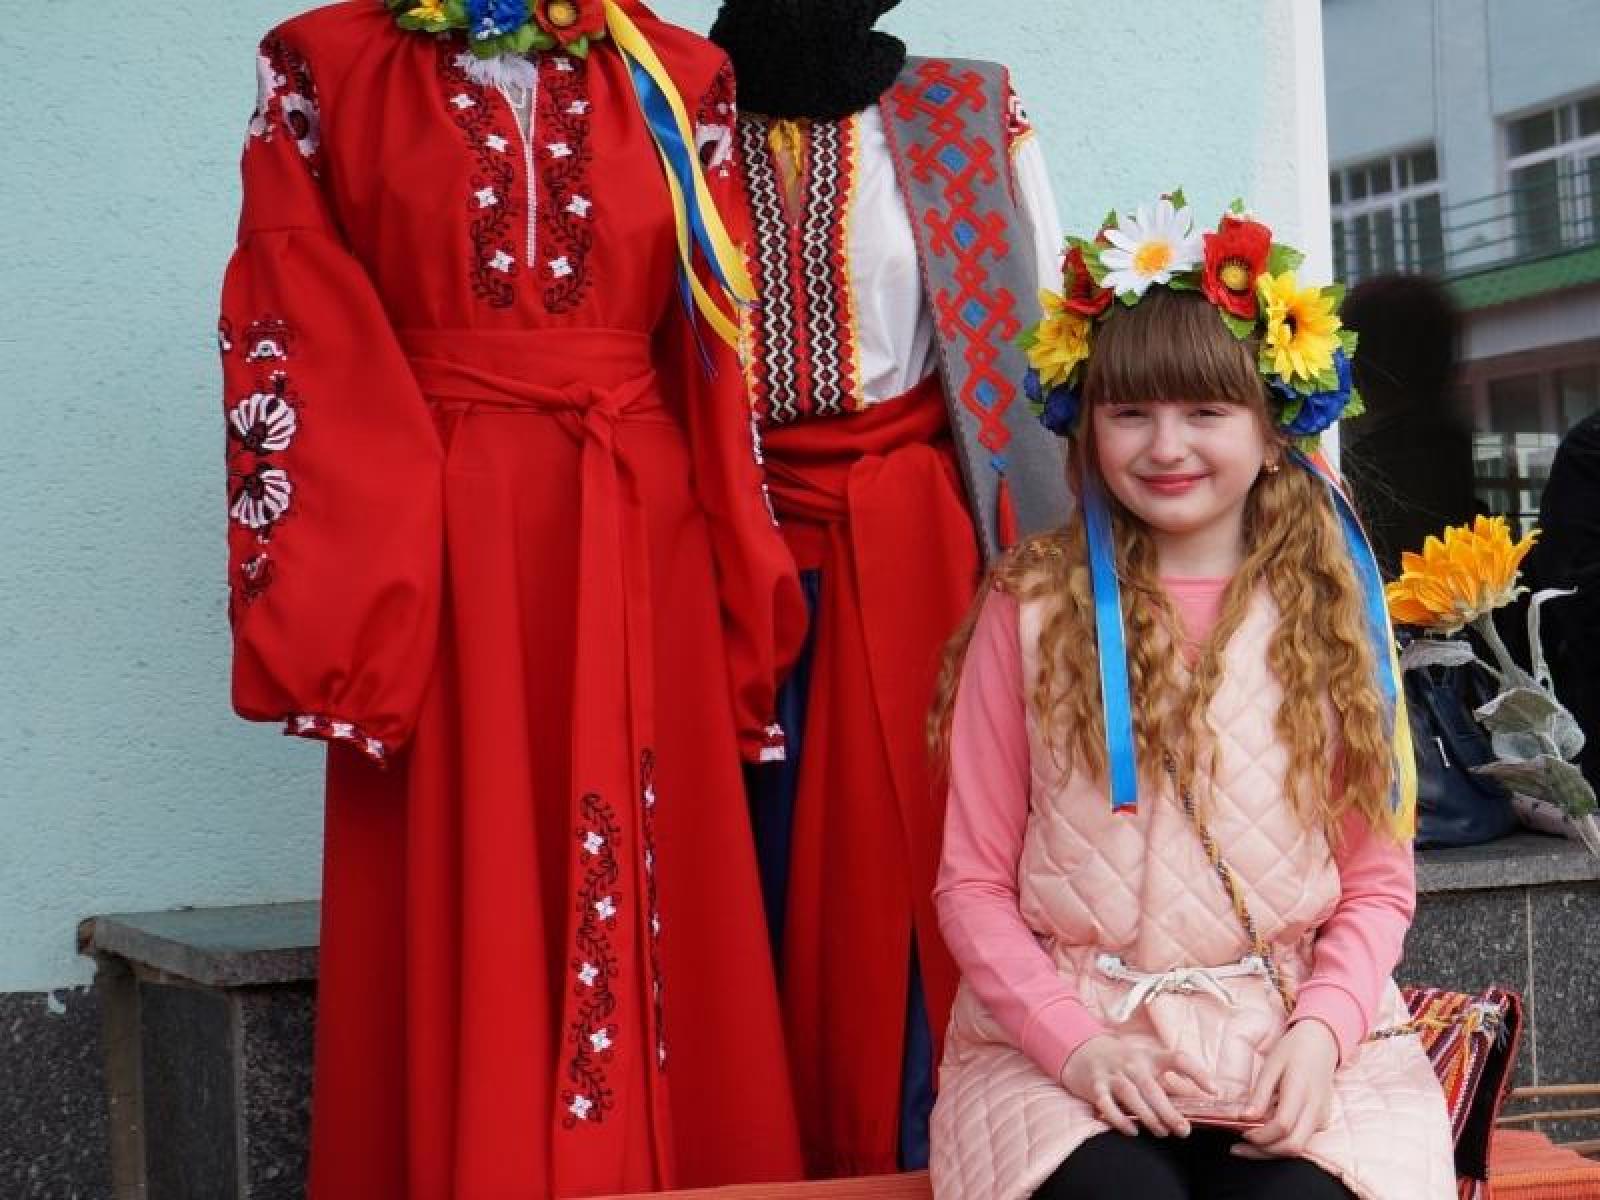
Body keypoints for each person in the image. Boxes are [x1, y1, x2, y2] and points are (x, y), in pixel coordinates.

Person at [217, 1, 805, 1195]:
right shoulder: (323, 68)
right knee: (464, 851)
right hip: (436, 533)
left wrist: (743, 583)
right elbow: (295, 315)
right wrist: (361, 599)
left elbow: (717, 343)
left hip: (637, 519)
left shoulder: (681, 76)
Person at [926, 196, 1455, 1199]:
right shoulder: (1029, 609)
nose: (1165, 445)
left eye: (1205, 412)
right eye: (1130, 413)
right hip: (1072, 1043)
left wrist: (1322, 1032)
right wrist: (1073, 1043)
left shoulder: (1332, 611)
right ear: (1087, 425)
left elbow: (1376, 881)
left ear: (1273, 430)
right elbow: (972, 885)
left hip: (1287, 1030)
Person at [708, 0, 1067, 1174]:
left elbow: (1039, 358)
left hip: (914, 550)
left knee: (919, 861)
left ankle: (924, 1151)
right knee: (737, 869)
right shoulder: (661, 107)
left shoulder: (966, 110)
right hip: (715, 552)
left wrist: (1061, 578)